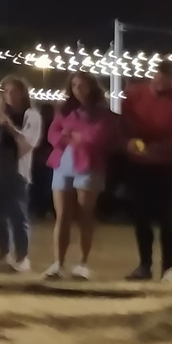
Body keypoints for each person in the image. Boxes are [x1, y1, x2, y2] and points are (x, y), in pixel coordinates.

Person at [121, 60, 172, 281]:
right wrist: (129, 142)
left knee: (167, 217)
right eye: (160, 78)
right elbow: (124, 124)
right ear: (153, 74)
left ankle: (168, 268)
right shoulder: (134, 95)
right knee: (141, 216)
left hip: (168, 164)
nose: (162, 83)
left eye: (168, 80)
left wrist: (159, 148)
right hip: (139, 163)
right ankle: (145, 265)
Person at [44, 72, 117, 280]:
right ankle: (58, 263)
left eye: (82, 86)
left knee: (85, 215)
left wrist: (72, 135)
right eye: (74, 85)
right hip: (62, 165)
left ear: (92, 88)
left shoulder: (102, 113)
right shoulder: (65, 110)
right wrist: (71, 136)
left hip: (89, 165)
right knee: (62, 216)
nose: (78, 90)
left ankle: (83, 263)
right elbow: (53, 134)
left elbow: (97, 137)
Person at [0, 76, 44, 272]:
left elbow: (27, 144)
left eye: (14, 92)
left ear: (24, 94)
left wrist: (8, 125)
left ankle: (22, 256)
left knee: (17, 213)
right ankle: (3, 252)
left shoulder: (31, 115)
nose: (10, 96)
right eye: (6, 92)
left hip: (16, 170)